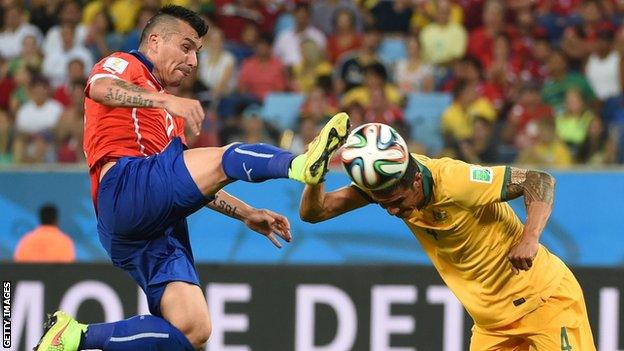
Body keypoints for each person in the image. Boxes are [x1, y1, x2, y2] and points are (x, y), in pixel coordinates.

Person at [33, 6, 350, 351]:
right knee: (226, 156)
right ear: (155, 41)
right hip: (123, 186)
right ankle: (302, 164)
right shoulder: (127, 64)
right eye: (186, 48)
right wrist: (165, 100)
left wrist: (246, 213)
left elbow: (187, 185)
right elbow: (99, 88)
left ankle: (74, 336)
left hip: (147, 225)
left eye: (197, 53)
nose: (193, 62)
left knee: (193, 330)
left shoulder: (172, 119)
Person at [300, 124, 596, 350]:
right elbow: (315, 212)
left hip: (545, 300)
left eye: (397, 202)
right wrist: (316, 175)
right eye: (382, 203)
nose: (392, 211)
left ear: (415, 179)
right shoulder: (388, 180)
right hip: (492, 325)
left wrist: (530, 238)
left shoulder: (455, 181)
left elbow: (538, 180)